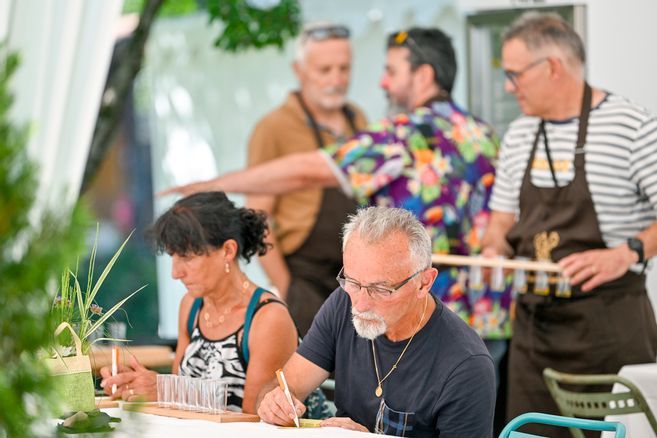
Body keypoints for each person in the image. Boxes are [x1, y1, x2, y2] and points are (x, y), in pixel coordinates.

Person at [160, 27, 508, 350]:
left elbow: (307, 172)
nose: (383, 83)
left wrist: (216, 183)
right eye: (325, 69)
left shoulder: (399, 133)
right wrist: (292, 292)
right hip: (489, 310)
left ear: (424, 75)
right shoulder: (484, 134)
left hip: (422, 312)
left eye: (391, 72)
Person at [480, 11, 657, 435]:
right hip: (535, 334)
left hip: (609, 327)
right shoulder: (519, 134)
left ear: (552, 68)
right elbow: (502, 218)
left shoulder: (632, 127)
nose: (509, 86)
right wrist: (492, 250)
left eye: (514, 74)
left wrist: (625, 253)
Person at [164, 23, 367, 336]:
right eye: (324, 70)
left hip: (355, 276)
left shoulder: (358, 119)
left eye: (344, 69)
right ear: (299, 70)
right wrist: (288, 289)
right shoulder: (274, 128)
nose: (336, 79)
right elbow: (259, 218)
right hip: (305, 279)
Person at [256, 207, 496, 436]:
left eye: (381, 289)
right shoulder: (343, 302)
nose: (360, 304)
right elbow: (286, 389)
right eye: (352, 282)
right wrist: (274, 403)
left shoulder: (467, 366)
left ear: (424, 283)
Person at [99, 191, 298, 414]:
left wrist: (166, 389)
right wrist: (138, 385)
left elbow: (255, 419)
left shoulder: (267, 318)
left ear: (228, 250)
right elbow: (176, 404)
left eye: (187, 257)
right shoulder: (192, 306)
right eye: (173, 257)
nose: (176, 273)